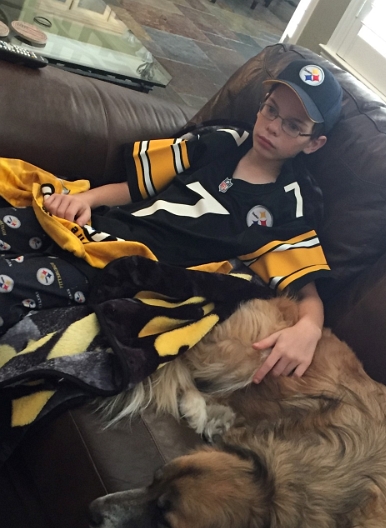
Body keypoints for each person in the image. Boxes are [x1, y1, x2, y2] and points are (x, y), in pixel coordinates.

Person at [0, 59, 343, 383]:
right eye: (271, 109)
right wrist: (84, 199)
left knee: (7, 285)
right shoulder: (222, 140)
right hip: (94, 228)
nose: (273, 127)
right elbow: (136, 187)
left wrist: (309, 329)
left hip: (120, 272)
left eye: (293, 126)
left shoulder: (289, 204)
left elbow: (306, 292)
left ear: (314, 144)